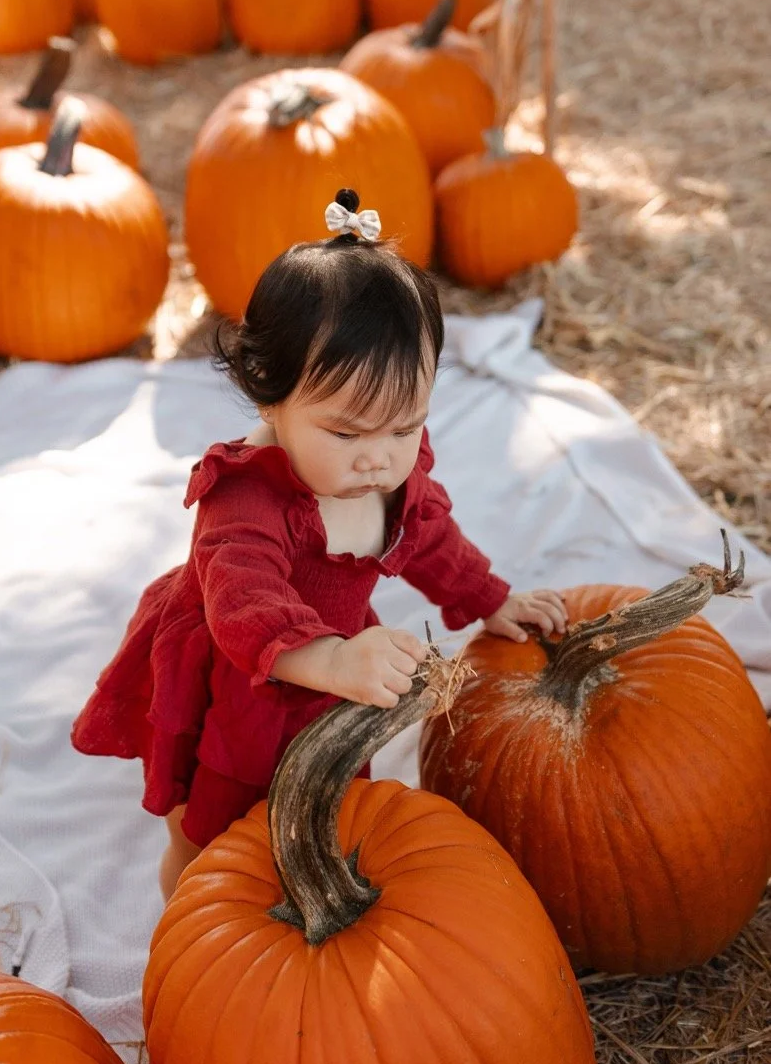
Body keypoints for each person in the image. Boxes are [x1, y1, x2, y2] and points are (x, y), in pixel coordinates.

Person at [71, 188, 567, 900]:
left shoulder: (390, 474)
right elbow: (245, 604)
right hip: (239, 675)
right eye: (346, 432)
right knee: (215, 822)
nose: (379, 457)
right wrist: (332, 659)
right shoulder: (243, 496)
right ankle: (190, 907)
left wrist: (490, 599)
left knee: (320, 801)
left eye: (405, 426)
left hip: (333, 670)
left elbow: (430, 539)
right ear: (269, 396)